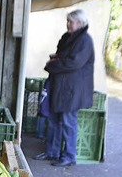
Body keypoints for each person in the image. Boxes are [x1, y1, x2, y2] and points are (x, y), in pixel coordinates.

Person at [34, 9, 94, 167]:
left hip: (73, 90)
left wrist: (53, 66)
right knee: (54, 121)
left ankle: (69, 155)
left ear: (80, 23)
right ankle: (52, 152)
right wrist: (55, 60)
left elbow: (74, 62)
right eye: (67, 21)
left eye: (71, 21)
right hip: (60, 87)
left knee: (68, 122)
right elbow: (63, 57)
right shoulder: (68, 37)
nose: (68, 24)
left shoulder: (84, 41)